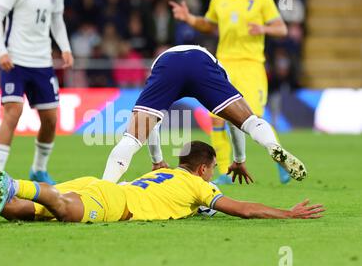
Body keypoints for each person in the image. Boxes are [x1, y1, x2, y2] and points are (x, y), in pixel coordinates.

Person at [0, 143, 324, 222]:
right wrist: (287, 212)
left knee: (15, 212)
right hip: (114, 204)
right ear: (203, 169)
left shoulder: (160, 172)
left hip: (100, 183)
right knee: (66, 210)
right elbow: (245, 209)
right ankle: (16, 183)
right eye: (213, 169)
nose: (214, 176)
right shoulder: (201, 188)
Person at [102, 45, 306, 184]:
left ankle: (103, 188)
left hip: (166, 65)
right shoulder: (220, 69)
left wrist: (157, 160)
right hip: (202, 62)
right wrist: (239, 159)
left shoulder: (158, 66)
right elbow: (233, 123)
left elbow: (153, 125)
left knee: (132, 138)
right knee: (250, 121)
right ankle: (273, 146)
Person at [170, 0, 291, 185]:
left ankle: (280, 161)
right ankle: (226, 171)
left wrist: (264, 29)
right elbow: (209, 25)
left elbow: (281, 28)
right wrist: (190, 18)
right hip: (224, 64)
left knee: (252, 119)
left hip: (251, 65)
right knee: (216, 116)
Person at [0, 0, 74, 185]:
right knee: (13, 111)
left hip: (43, 63)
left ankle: (38, 169)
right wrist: (1, 51)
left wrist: (65, 48)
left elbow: (57, 19)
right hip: (15, 61)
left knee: (51, 119)